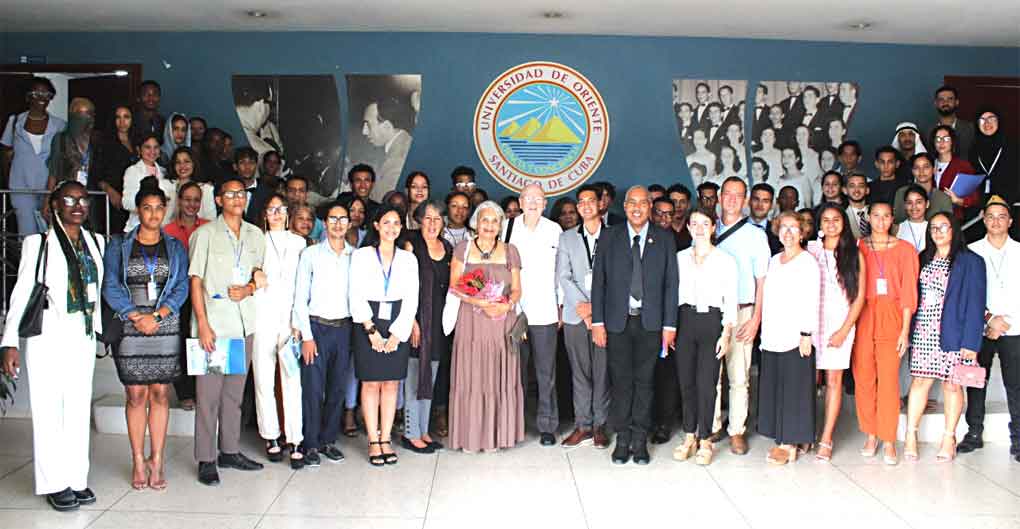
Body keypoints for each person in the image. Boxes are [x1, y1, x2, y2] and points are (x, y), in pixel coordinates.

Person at [1, 181, 104, 510]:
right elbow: (20, 294)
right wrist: (9, 342)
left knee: (77, 409)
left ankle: (76, 478)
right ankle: (54, 483)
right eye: (69, 200)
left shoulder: (95, 242)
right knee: (49, 410)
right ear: (55, 205)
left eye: (83, 200)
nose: (78, 206)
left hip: (82, 336)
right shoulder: (38, 244)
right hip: (48, 335)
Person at [102, 185, 189, 489]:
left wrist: (159, 316)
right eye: (147, 207)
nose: (153, 214)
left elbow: (181, 286)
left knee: (161, 394)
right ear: (138, 210)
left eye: (159, 207)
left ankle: (158, 459)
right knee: (136, 395)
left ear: (165, 210)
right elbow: (110, 285)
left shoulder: (175, 247)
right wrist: (135, 316)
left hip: (165, 326)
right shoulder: (119, 245)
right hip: (131, 327)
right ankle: (138, 460)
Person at [591, 186, 679, 465]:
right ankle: (623, 439)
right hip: (617, 323)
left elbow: (671, 284)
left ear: (649, 207)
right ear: (625, 206)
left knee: (645, 382)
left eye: (643, 203)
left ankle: (640, 440)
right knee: (621, 383)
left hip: (651, 323)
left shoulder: (664, 238)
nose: (637, 208)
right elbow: (599, 282)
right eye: (632, 203)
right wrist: (597, 322)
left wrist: (670, 325)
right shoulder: (609, 236)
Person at [188, 177, 266, 485]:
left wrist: (249, 288)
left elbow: (259, 274)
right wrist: (202, 325)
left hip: (244, 324)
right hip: (215, 326)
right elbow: (196, 281)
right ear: (219, 200)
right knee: (208, 397)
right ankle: (206, 458)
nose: (237, 198)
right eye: (230, 194)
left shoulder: (255, 235)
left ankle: (230, 450)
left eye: (241, 193)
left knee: (234, 395)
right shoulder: (204, 234)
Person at [903, 212, 986, 462]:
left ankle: (949, 438)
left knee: (952, 385)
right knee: (920, 382)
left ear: (954, 230)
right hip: (923, 330)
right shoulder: (922, 258)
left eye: (943, 227)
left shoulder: (971, 261)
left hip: (955, 333)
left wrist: (971, 343)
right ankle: (910, 435)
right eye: (933, 228)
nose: (938, 232)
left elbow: (976, 304)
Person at [448, 201, 525, 452]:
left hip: (502, 322)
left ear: (500, 225)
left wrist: (506, 305)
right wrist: (479, 302)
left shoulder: (511, 251)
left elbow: (517, 289)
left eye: (494, 221)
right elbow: (454, 286)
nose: (489, 226)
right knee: (472, 375)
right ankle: (471, 436)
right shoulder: (463, 249)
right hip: (471, 322)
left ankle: (499, 435)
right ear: (476, 223)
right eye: (485, 220)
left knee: (499, 376)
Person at [350, 206, 419, 465]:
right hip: (368, 321)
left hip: (397, 322)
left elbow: (412, 299)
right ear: (376, 225)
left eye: (396, 223)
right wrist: (371, 331)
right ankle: (373, 441)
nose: (392, 228)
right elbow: (355, 293)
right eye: (386, 222)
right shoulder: (362, 256)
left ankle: (386, 438)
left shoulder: (408, 259)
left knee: (391, 383)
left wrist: (397, 334)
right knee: (370, 383)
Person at [854, 200, 919, 465]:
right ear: (868, 218)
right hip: (863, 314)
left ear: (893, 220)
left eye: (886, 216)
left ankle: (889, 438)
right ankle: (871, 434)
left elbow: (909, 292)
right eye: (876, 216)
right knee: (864, 377)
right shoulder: (858, 247)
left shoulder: (905, 249)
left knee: (889, 379)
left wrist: (905, 331)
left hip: (892, 315)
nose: (881, 221)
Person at [671, 207, 737, 465]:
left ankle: (706, 439)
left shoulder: (725, 260)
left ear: (713, 227)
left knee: (707, 384)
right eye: (695, 223)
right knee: (686, 383)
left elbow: (730, 299)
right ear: (688, 227)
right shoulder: (678, 258)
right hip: (685, 321)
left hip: (712, 322)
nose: (699, 228)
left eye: (705, 223)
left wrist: (726, 333)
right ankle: (689, 435)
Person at [292, 202, 355, 466]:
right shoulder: (311, 254)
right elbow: (300, 297)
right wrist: (307, 336)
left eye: (343, 219)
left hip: (345, 329)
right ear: (325, 223)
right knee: (313, 389)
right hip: (316, 328)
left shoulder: (356, 256)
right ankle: (310, 443)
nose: (338, 224)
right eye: (333, 219)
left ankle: (328, 440)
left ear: (349, 224)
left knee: (337, 388)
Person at [712, 177, 772, 454]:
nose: (732, 199)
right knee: (711, 375)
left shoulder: (756, 235)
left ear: (745, 200)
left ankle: (736, 430)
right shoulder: (707, 228)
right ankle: (712, 425)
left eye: (738, 195)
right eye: (728, 194)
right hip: (712, 310)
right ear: (720, 197)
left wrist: (756, 318)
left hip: (742, 309)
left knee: (739, 375)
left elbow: (762, 281)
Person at [757, 211, 820, 465]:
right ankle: (782, 437)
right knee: (777, 388)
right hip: (773, 334)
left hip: (796, 336)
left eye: (794, 227)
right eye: (784, 227)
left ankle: (789, 444)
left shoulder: (808, 262)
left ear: (802, 233)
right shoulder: (774, 260)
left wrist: (806, 333)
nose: (788, 232)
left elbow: (811, 299)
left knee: (794, 390)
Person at [960, 196, 1020, 460]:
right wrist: (989, 319)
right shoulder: (971, 252)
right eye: (991, 217)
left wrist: (1005, 321)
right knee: (975, 383)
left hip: (1015, 328)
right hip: (980, 329)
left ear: (1010, 221)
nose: (996, 221)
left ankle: (1018, 438)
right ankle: (974, 433)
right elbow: (966, 294)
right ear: (983, 220)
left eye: (1001, 217)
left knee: (1016, 385)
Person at [503, 184, 563, 445]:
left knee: (545, 373)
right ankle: (513, 425)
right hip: (513, 311)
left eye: (538, 199)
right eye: (528, 198)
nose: (533, 203)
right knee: (514, 372)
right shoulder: (507, 228)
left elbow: (561, 270)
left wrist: (561, 305)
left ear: (545, 203)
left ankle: (547, 426)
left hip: (545, 310)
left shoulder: (554, 230)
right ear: (520, 202)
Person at [251, 194, 307, 467]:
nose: (276, 214)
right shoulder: (256, 240)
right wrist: (254, 272)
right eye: (271, 209)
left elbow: (303, 285)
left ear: (287, 213)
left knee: (292, 381)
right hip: (261, 317)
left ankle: (295, 438)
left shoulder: (299, 243)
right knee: (263, 379)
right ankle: (271, 436)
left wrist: (299, 323)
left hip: (290, 320)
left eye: (280, 209)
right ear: (264, 214)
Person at [807, 205, 866, 460]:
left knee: (833, 381)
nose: (831, 224)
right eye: (826, 220)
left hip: (839, 324)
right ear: (819, 224)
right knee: (806, 381)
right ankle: (804, 432)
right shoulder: (810, 250)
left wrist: (844, 330)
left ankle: (826, 437)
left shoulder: (855, 253)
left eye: (836, 219)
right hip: (809, 324)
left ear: (844, 223)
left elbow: (859, 297)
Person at [556, 184, 610, 448]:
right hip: (575, 315)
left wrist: (595, 310)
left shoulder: (614, 235)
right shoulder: (567, 238)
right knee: (579, 373)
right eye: (581, 202)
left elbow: (618, 277)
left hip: (605, 316)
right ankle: (583, 425)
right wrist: (583, 307)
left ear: (600, 204)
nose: (586, 205)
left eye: (591, 200)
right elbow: (563, 276)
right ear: (578, 207)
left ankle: (600, 425)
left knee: (602, 371)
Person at [402, 200, 451, 453]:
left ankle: (423, 430)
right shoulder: (411, 245)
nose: (432, 224)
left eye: (437, 219)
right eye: (428, 218)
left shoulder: (448, 248)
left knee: (429, 378)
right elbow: (403, 286)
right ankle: (410, 433)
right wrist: (411, 321)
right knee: (414, 378)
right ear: (420, 220)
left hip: (439, 324)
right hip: (417, 321)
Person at [1, 77, 66, 235]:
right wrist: (8, 180)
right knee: (27, 234)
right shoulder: (15, 122)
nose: (42, 98)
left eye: (46, 94)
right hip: (21, 188)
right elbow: (5, 154)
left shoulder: (60, 125)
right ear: (28, 96)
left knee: (51, 233)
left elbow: (62, 159)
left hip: (50, 188)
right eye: (37, 93)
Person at [163, 182, 208, 410]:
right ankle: (185, 393)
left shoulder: (209, 228)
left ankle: (203, 391)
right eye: (187, 199)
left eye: (196, 200)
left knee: (201, 340)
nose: (191, 204)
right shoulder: (167, 231)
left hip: (204, 295)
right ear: (179, 201)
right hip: (178, 296)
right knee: (180, 342)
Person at [971, 107, 1018, 224]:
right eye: (982, 120)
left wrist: (1002, 203)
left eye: (991, 119)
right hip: (982, 209)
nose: (987, 123)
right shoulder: (973, 149)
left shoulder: (1013, 146)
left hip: (1010, 205)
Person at [361, 98, 413, 202]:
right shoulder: (401, 144)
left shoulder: (399, 157)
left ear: (387, 126)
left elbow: (382, 200)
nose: (364, 131)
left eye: (368, 125)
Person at [96, 104, 136, 235]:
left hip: (133, 198)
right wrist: (110, 191)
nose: (122, 122)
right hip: (114, 199)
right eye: (118, 117)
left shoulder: (138, 141)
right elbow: (97, 173)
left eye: (126, 117)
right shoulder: (105, 142)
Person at [123, 133, 175, 232]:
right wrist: (149, 204)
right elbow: (126, 202)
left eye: (156, 147)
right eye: (147, 147)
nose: (152, 151)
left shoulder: (165, 172)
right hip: (137, 228)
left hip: (161, 228)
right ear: (139, 150)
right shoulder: (132, 171)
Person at [46, 97, 97, 192]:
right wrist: (48, 196)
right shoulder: (61, 139)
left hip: (92, 193)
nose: (89, 118)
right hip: (67, 191)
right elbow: (53, 172)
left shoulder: (97, 140)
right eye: (84, 114)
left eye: (91, 114)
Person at [932, 125, 979, 220]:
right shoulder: (928, 164)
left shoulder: (963, 166)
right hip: (931, 216)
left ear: (952, 142)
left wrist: (958, 201)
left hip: (954, 217)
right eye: (938, 139)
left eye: (946, 139)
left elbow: (974, 197)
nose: (941, 142)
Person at [892, 152, 953, 224]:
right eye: (917, 168)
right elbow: (896, 222)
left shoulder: (943, 198)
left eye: (926, 167)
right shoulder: (901, 192)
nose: (921, 171)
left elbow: (948, 225)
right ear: (912, 171)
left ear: (934, 169)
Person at [167, 147, 216, 221]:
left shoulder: (206, 189)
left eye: (186, 161)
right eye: (178, 162)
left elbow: (211, 220)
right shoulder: (166, 185)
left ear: (194, 164)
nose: (182, 166)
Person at [928, 85, 975, 162]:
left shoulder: (970, 128)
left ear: (957, 102)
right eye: (941, 99)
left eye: (950, 99)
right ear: (936, 103)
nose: (945, 102)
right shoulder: (928, 131)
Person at [284, 175, 325, 241]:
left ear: (307, 194)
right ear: (285, 193)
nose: (296, 194)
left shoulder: (318, 225)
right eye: (291, 190)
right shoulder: (277, 218)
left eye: (301, 191)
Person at [749, 183, 782, 255]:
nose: (760, 205)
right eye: (756, 199)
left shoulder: (778, 232)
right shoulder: (737, 227)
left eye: (765, 201)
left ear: (771, 205)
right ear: (749, 201)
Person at [896, 185, 930, 252]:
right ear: (905, 205)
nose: (914, 206)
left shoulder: (932, 228)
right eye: (909, 203)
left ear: (927, 204)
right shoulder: (896, 228)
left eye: (919, 202)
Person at [845, 173, 871, 239]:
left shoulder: (876, 213)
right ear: (845, 190)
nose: (856, 190)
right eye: (852, 186)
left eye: (861, 186)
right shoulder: (841, 216)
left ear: (867, 190)